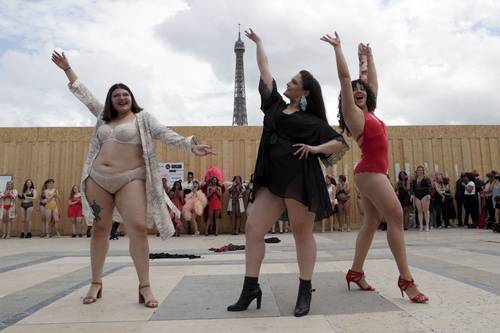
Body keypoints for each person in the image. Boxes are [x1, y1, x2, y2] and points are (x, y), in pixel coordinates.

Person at [52, 51, 212, 307]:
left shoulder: (143, 119)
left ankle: (145, 286)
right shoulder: (102, 117)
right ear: (111, 101)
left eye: (125, 94)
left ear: (131, 98)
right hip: (98, 179)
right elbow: (85, 96)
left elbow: (165, 133)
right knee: (100, 229)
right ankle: (96, 282)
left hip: (131, 179)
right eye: (116, 95)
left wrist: (190, 144)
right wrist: (67, 69)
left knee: (137, 228)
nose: (121, 98)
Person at [228, 29, 349, 317]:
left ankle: (304, 289)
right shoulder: (274, 106)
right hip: (272, 180)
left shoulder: (312, 121)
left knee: (301, 235)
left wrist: (315, 148)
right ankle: (250, 288)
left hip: (300, 181)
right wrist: (259, 43)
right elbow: (265, 68)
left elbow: (340, 143)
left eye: (294, 81)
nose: (288, 82)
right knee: (253, 229)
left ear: (304, 92)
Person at [323, 32, 428, 303]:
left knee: (372, 221)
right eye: (354, 89)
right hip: (370, 171)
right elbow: (346, 80)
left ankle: (356, 272)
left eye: (362, 88)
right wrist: (338, 49)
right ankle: (406, 279)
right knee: (395, 216)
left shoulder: (370, 112)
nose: (358, 89)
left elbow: (371, 82)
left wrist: (368, 57)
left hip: (371, 172)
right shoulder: (354, 115)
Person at [411, 166, 432, 232]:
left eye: (421, 170)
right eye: (418, 170)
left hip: (425, 195)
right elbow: (412, 188)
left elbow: (429, 186)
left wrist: (429, 194)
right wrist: (412, 195)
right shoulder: (414, 180)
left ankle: (427, 226)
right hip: (417, 195)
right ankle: (421, 226)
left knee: (426, 211)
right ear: (416, 171)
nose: (419, 171)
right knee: (419, 211)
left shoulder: (426, 178)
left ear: (423, 171)